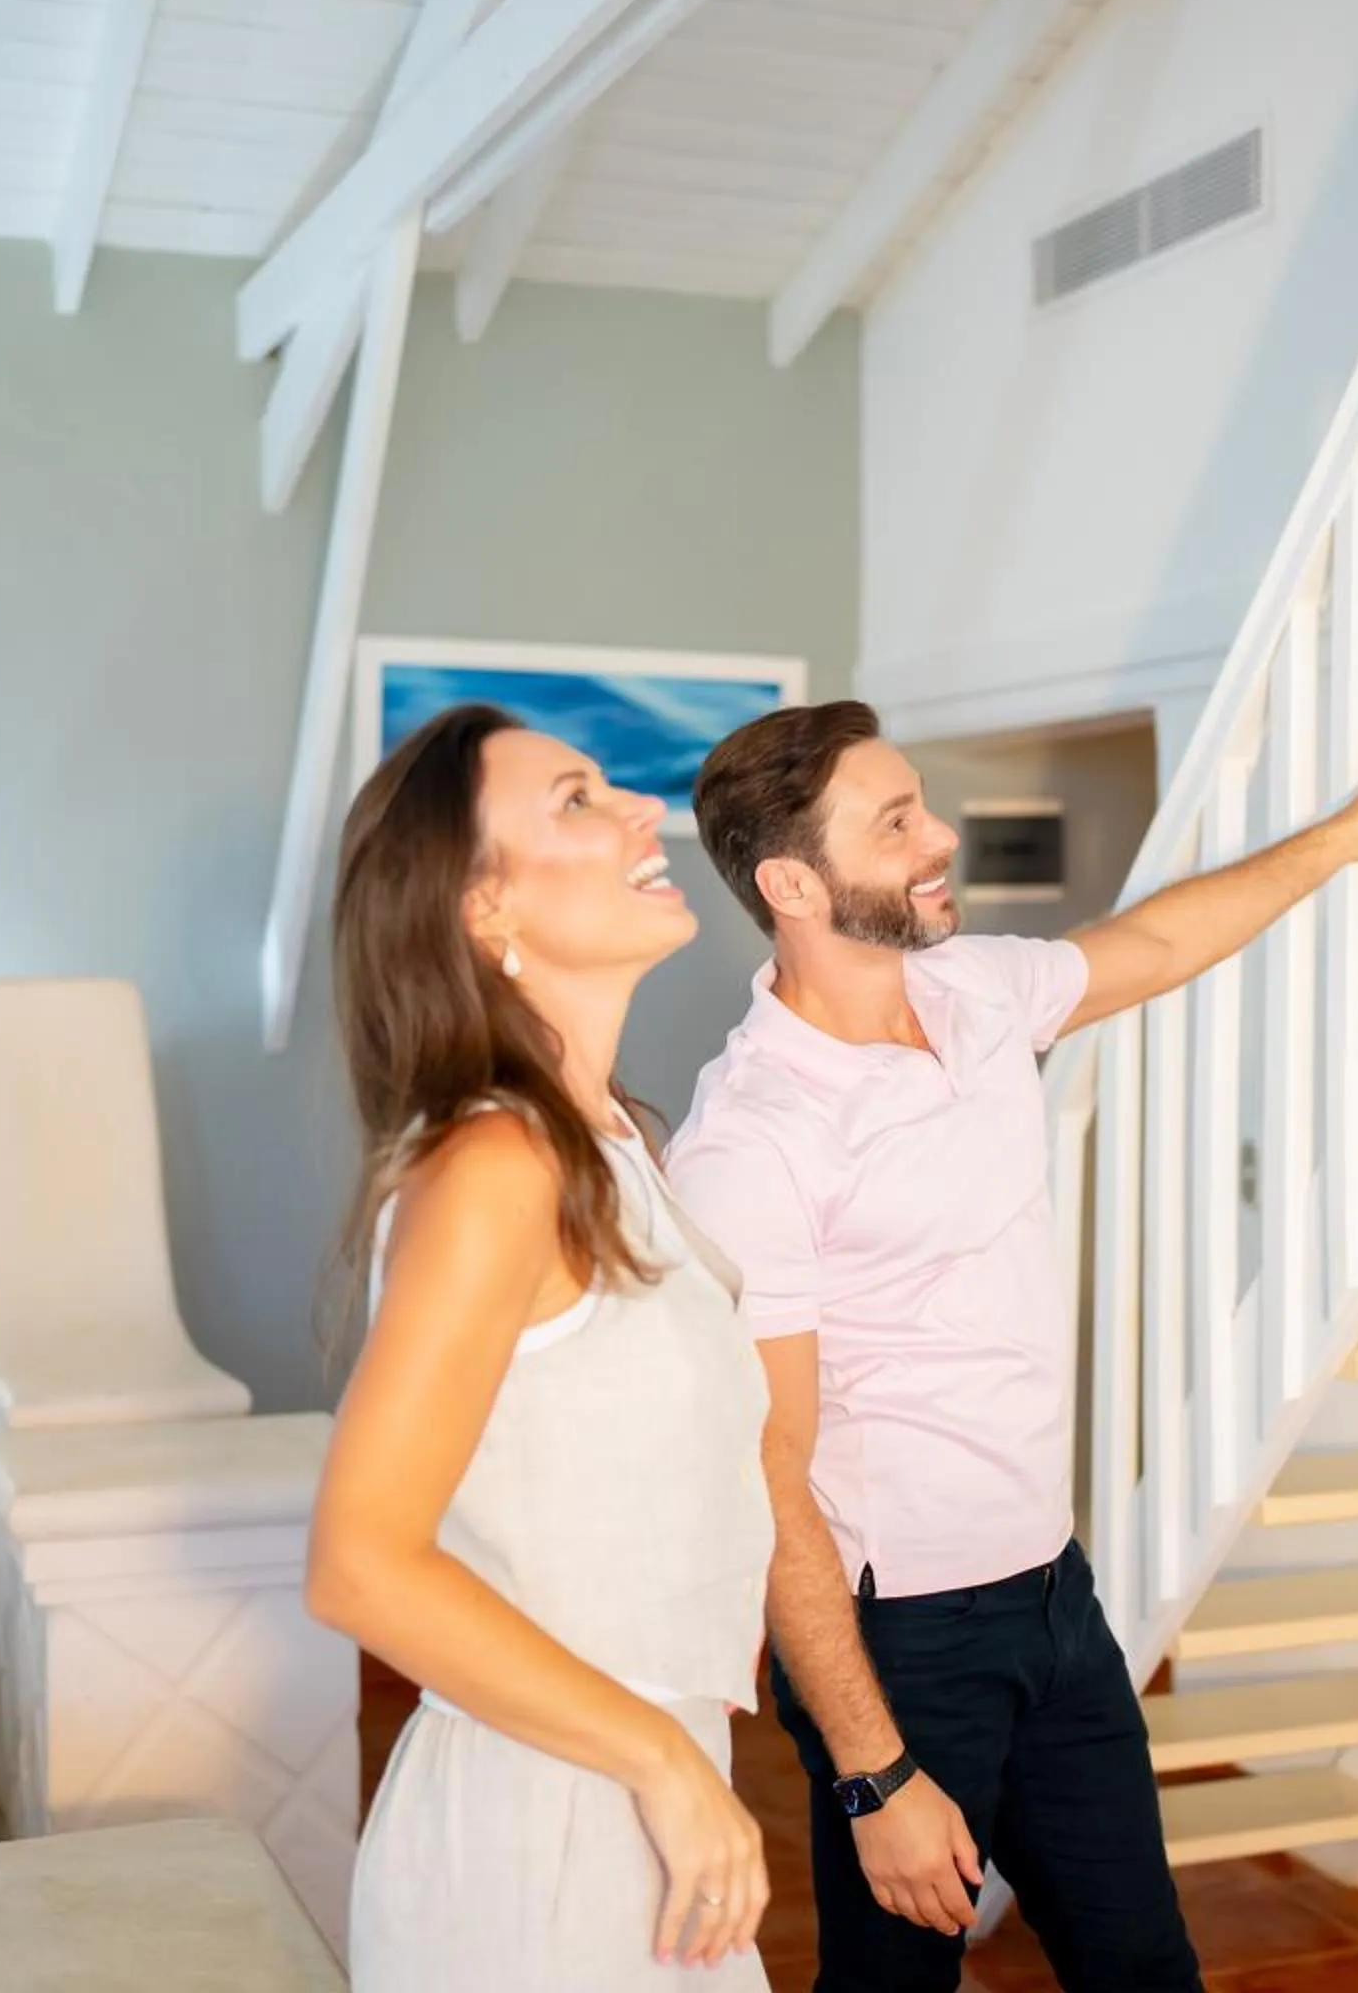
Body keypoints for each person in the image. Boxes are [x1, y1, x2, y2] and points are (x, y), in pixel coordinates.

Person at [666, 700, 1358, 1992]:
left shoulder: (970, 993)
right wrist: (876, 1774)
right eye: (898, 821)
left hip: (1051, 1593)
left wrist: (1342, 840)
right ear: (792, 883)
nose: (944, 836)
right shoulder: (754, 1141)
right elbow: (770, 1472)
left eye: (924, 804)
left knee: (1143, 1970)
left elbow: (1153, 939)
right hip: (903, 1642)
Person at [309, 703, 776, 1991]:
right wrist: (661, 1760)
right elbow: (360, 1564)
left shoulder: (619, 1140)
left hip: (643, 1803)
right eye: (578, 800)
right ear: (482, 910)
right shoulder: (495, 1163)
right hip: (546, 1832)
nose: (642, 811)